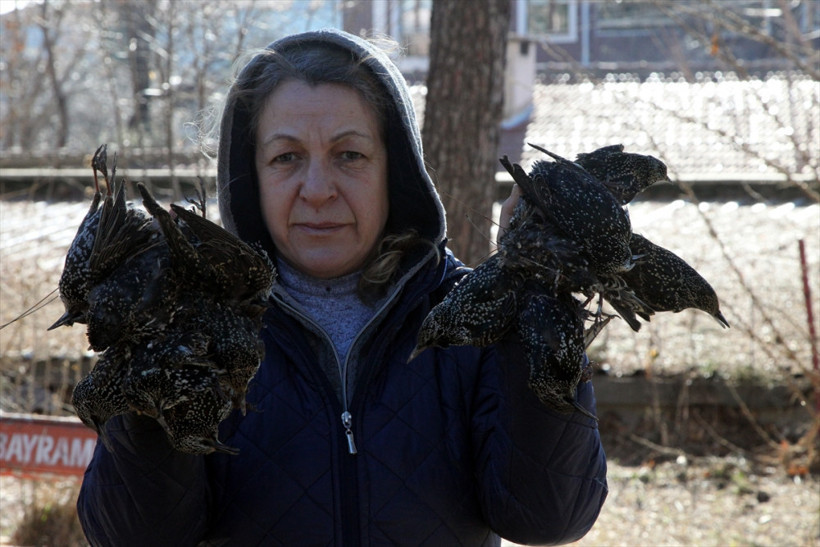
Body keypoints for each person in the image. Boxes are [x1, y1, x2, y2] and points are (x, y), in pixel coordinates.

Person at [77, 28, 607, 546]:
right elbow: (132, 534)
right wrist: (147, 370)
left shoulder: (475, 320)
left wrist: (542, 299)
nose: (317, 190)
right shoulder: (194, 333)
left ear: (394, 171)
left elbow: (549, 517)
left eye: (349, 155)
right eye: (286, 158)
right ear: (250, 179)